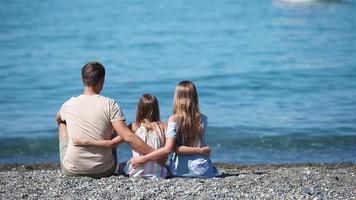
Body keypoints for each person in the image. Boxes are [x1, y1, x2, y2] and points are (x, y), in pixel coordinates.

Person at [56, 61, 153, 178]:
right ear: (102, 81)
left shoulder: (68, 104)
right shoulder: (110, 104)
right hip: (104, 169)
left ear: (83, 80)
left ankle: (75, 156)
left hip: (72, 170)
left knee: (63, 123)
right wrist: (154, 153)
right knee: (114, 128)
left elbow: (58, 118)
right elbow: (128, 136)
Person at [74, 94, 174, 178]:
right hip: (159, 172)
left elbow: (111, 144)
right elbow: (168, 148)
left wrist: (85, 142)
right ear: (157, 109)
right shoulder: (164, 126)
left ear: (139, 109)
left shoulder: (133, 127)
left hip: (137, 171)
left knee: (122, 166)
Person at [167, 80, 219, 178]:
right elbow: (201, 146)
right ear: (194, 97)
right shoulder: (203, 118)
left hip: (181, 170)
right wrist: (201, 151)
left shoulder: (173, 119)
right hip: (204, 169)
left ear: (177, 98)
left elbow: (175, 149)